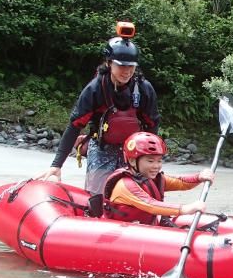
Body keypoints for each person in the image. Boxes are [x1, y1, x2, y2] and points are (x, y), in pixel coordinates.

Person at [36, 22, 161, 194]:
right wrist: (56, 165)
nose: (127, 71)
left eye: (131, 67)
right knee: (97, 197)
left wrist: (151, 161)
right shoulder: (95, 90)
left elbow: (152, 126)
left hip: (134, 153)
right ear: (109, 63)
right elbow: (75, 126)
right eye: (121, 66)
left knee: (137, 196)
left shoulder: (144, 89)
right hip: (102, 148)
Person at [102, 132, 214, 225]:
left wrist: (199, 177)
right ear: (132, 161)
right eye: (150, 161)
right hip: (123, 235)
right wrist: (184, 209)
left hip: (143, 227)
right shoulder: (125, 184)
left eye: (159, 160)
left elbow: (181, 182)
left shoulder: (151, 178)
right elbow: (150, 204)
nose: (156, 166)